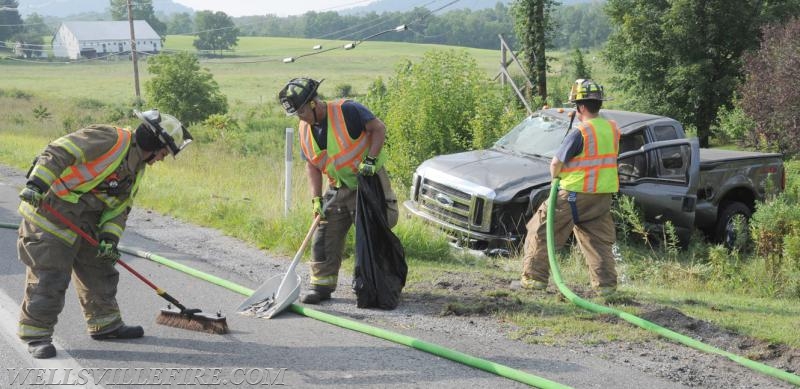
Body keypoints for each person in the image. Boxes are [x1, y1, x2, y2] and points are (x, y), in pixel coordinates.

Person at [17, 109, 193, 359]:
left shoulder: (136, 168)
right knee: (50, 277)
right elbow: (58, 151)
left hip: (87, 222)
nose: (162, 159)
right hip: (51, 213)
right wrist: (36, 185)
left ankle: (105, 324)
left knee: (101, 270)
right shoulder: (110, 139)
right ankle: (36, 335)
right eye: (164, 152)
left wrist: (109, 240)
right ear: (154, 143)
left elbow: (119, 209)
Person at [278, 77, 399, 304]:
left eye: (301, 111)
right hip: (337, 187)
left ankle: (374, 287)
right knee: (324, 233)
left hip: (367, 182)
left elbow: (378, 128)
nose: (300, 117)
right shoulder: (305, 128)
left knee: (372, 237)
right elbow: (312, 165)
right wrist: (316, 199)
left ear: (314, 103)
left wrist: (371, 160)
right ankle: (322, 287)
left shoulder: (348, 111)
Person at [519, 79, 620, 297]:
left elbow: (556, 164)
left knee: (540, 229)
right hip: (601, 197)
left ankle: (533, 280)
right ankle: (607, 287)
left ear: (580, 107)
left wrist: (556, 178)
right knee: (597, 240)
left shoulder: (580, 132)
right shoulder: (612, 129)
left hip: (574, 194)